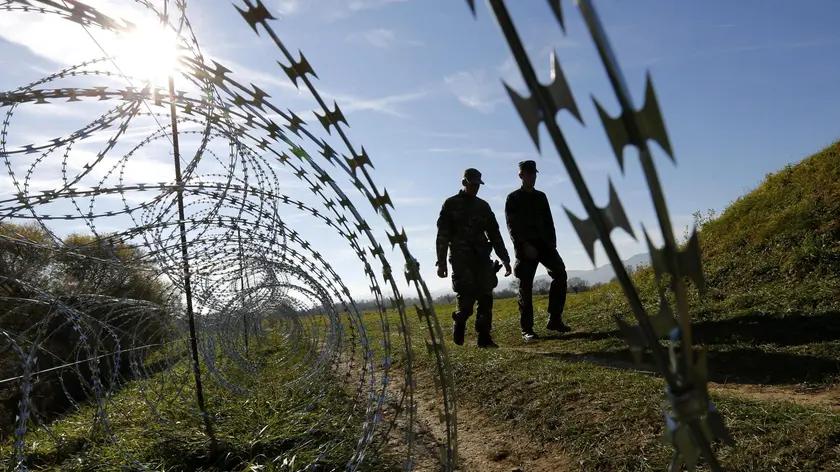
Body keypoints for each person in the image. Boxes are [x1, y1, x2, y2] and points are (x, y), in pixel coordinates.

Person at [435, 168, 512, 348]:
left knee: (486, 294)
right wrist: (442, 262)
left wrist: (505, 259)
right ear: (464, 183)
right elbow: (442, 235)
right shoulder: (450, 204)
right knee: (467, 295)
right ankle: (460, 320)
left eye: (478, 185)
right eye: (472, 184)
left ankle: (484, 336)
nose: (475, 188)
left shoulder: (483, 206)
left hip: (482, 257)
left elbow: (494, 233)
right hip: (461, 259)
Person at [504, 160, 572, 342]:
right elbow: (512, 227)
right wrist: (524, 246)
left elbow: (549, 221)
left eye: (535, 174)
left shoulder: (541, 197)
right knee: (525, 286)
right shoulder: (513, 198)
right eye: (529, 174)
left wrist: (552, 243)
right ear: (521, 175)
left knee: (560, 273)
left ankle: (555, 319)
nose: (533, 177)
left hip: (545, 245)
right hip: (526, 248)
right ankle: (527, 330)